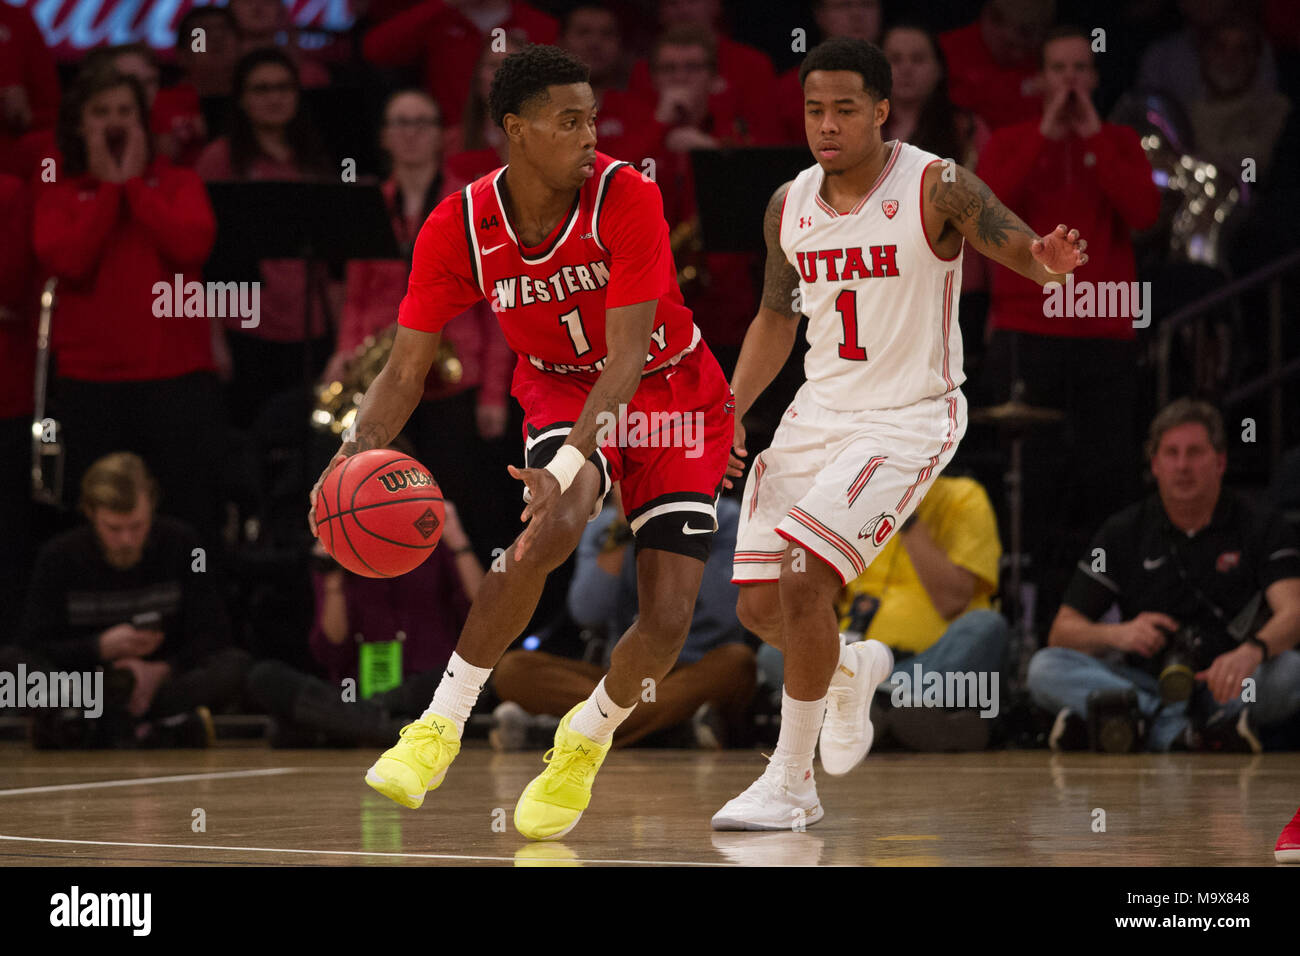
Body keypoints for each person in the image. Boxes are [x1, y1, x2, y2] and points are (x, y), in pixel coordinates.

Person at [308, 45, 734, 841]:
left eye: (592, 119)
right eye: (569, 121)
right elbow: (404, 371)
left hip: (673, 394)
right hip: (560, 386)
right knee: (553, 527)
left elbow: (630, 357)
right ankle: (437, 725)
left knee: (670, 616)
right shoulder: (460, 224)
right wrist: (345, 458)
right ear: (517, 129)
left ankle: (587, 736)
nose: (589, 135)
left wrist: (570, 459)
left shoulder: (625, 194)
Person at [716, 36, 1087, 831]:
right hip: (817, 412)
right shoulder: (789, 204)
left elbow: (1014, 242)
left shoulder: (935, 185)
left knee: (807, 575)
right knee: (755, 606)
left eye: (845, 108)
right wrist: (730, 409)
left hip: (908, 416)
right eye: (815, 109)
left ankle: (791, 783)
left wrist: (1045, 260)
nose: (827, 124)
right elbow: (775, 318)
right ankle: (852, 667)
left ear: (881, 111)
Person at [975, 25, 1161, 636]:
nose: (1071, 82)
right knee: (1039, 480)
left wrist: (1092, 144)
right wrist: (1050, 136)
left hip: (1104, 332)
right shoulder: (1010, 141)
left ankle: (1104, 612)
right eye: (1059, 70)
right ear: (1042, 79)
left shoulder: (1121, 141)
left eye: (1081, 69)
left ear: (1097, 77)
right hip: (1029, 333)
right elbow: (992, 210)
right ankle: (1035, 617)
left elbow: (1143, 212)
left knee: (1106, 474)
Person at [1027, 399, 1300, 753]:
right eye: (1171, 453)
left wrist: (1251, 652)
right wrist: (1119, 634)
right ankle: (1189, 731)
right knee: (1044, 668)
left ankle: (1134, 726)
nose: (1183, 466)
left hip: (1229, 683)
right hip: (1147, 685)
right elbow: (1062, 632)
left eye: (1195, 453)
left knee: (1293, 670)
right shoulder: (1123, 531)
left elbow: (1293, 613)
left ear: (1220, 462)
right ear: (1155, 465)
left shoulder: (1262, 525)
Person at [34, 66, 226, 548]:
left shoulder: (179, 182)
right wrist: (109, 188)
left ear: (144, 123)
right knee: (94, 521)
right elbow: (69, 261)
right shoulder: (59, 194)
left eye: (124, 111)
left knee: (190, 515)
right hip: (92, 384)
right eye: (100, 113)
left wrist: (133, 185)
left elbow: (191, 245)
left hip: (176, 378)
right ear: (79, 123)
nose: (114, 123)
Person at [329, 88, 517, 561]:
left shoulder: (472, 202)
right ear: (385, 137)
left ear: (441, 136)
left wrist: (494, 392)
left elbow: (497, 307)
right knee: (384, 505)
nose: (411, 134)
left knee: (464, 502)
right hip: (385, 375)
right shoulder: (368, 203)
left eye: (422, 123)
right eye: (401, 123)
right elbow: (357, 295)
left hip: (456, 381)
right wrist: (346, 352)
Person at [757, 475, 1008, 751]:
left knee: (986, 626)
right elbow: (819, 600)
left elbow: (951, 600)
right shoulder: (850, 499)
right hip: (854, 661)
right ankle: (894, 713)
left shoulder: (964, 496)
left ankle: (858, 711)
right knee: (774, 650)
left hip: (927, 662)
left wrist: (906, 515)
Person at [16, 453, 248, 748]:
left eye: (136, 526)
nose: (126, 540)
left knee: (234, 666)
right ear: (90, 512)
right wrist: (98, 647)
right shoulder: (57, 557)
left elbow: (214, 634)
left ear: (151, 504)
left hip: (160, 682)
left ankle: (89, 725)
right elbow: (33, 644)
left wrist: (160, 671)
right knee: (13, 666)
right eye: (113, 529)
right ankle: (159, 724)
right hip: (88, 683)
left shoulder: (186, 547)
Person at [493, 492, 756, 749]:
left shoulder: (725, 518)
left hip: (693, 668)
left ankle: (564, 733)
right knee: (513, 669)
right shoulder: (605, 526)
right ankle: (672, 728)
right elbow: (587, 611)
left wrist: (673, 533)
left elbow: (725, 612)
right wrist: (621, 531)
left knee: (738, 663)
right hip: (623, 674)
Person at [195, 49, 337, 429]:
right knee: (250, 446)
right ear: (241, 99)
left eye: (283, 87)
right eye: (261, 89)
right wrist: (213, 339)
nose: (274, 98)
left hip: (311, 327)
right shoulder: (220, 159)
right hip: (246, 329)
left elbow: (331, 259)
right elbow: (205, 258)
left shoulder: (312, 157)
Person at [362, 0, 558, 129]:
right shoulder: (438, 19)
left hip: (520, 139)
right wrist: (444, 3)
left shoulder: (539, 25)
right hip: (445, 147)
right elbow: (375, 50)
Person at [939, 0, 1054, 132]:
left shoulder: (1044, 57)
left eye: (1039, 36)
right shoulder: (947, 52)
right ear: (992, 19)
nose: (1020, 54)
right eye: (1024, 33)